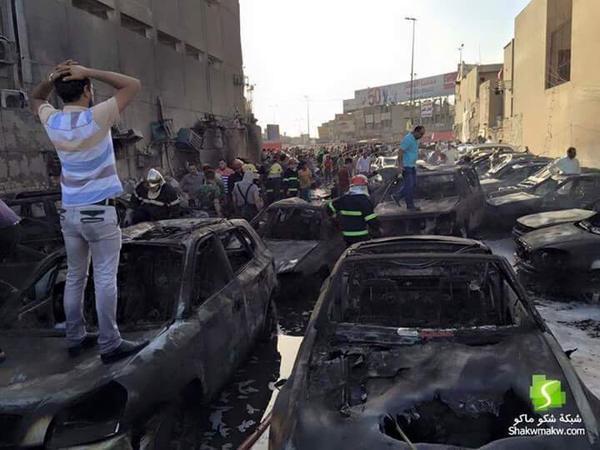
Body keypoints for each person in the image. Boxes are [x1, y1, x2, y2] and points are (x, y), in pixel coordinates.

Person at [31, 60, 148, 363]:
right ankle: (110, 343)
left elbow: (36, 98)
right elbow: (132, 84)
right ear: (86, 90)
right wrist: (90, 71)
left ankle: (75, 336)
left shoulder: (53, 121)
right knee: (105, 277)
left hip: (70, 212)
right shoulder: (97, 117)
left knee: (75, 277)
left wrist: (52, 77)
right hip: (99, 211)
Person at [327, 175, 379, 247]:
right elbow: (371, 220)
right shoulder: (364, 200)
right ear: (364, 187)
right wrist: (378, 229)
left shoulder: (343, 199)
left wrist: (335, 219)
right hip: (361, 235)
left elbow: (329, 208)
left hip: (346, 235)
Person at [392, 125, 426, 211]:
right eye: (421, 134)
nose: (422, 136)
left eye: (423, 134)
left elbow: (412, 151)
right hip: (406, 166)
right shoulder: (408, 139)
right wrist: (400, 165)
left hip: (412, 165)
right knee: (409, 185)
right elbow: (400, 152)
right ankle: (410, 206)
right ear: (416, 132)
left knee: (413, 184)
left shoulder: (416, 140)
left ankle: (398, 196)